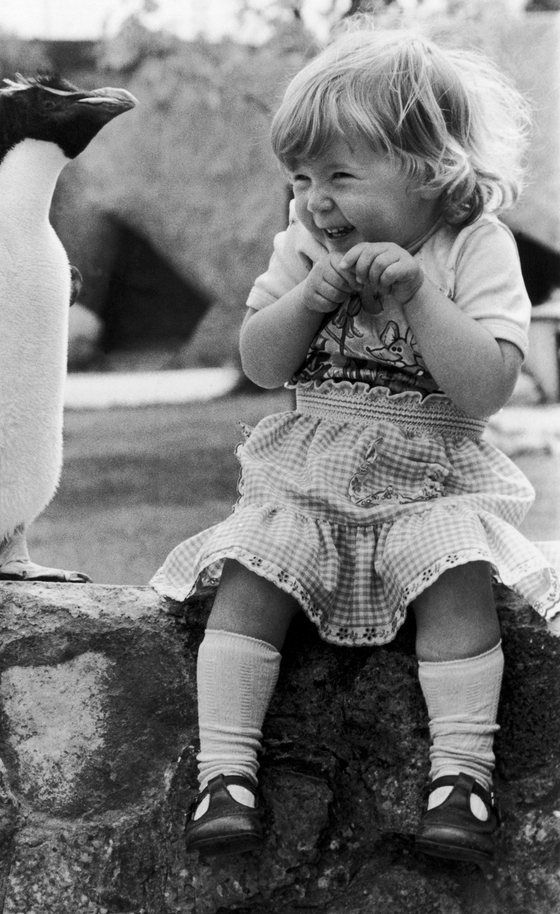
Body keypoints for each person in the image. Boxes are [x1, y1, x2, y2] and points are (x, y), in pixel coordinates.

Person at [150, 26, 560, 866]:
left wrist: (418, 299)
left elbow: (487, 385)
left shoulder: (475, 246)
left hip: (433, 478)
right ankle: (225, 773)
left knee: (456, 578)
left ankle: (462, 779)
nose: (314, 201)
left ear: (432, 168)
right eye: (300, 179)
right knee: (252, 569)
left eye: (340, 175)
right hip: (310, 473)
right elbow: (263, 363)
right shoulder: (303, 248)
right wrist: (306, 298)